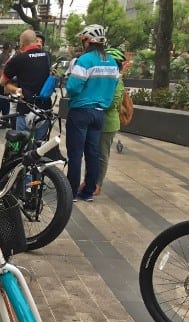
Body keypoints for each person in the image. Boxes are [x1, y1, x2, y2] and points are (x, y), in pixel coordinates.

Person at [65, 24, 119, 202]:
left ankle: (71, 192)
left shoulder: (85, 60)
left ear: (87, 40)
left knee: (75, 153)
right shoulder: (112, 62)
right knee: (93, 153)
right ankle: (88, 191)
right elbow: (113, 87)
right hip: (99, 113)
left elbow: (73, 87)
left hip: (80, 111)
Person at [81, 47, 125, 197]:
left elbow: (113, 103)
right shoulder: (102, 79)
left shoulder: (118, 82)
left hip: (108, 124)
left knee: (101, 155)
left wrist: (95, 99)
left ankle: (97, 183)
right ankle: (88, 181)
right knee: (91, 153)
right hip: (95, 120)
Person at [0, 29, 52, 142]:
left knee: (22, 148)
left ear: (22, 43)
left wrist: (15, 89)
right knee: (40, 148)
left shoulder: (18, 59)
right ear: (35, 41)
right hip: (44, 109)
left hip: (26, 109)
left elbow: (2, 82)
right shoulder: (47, 56)